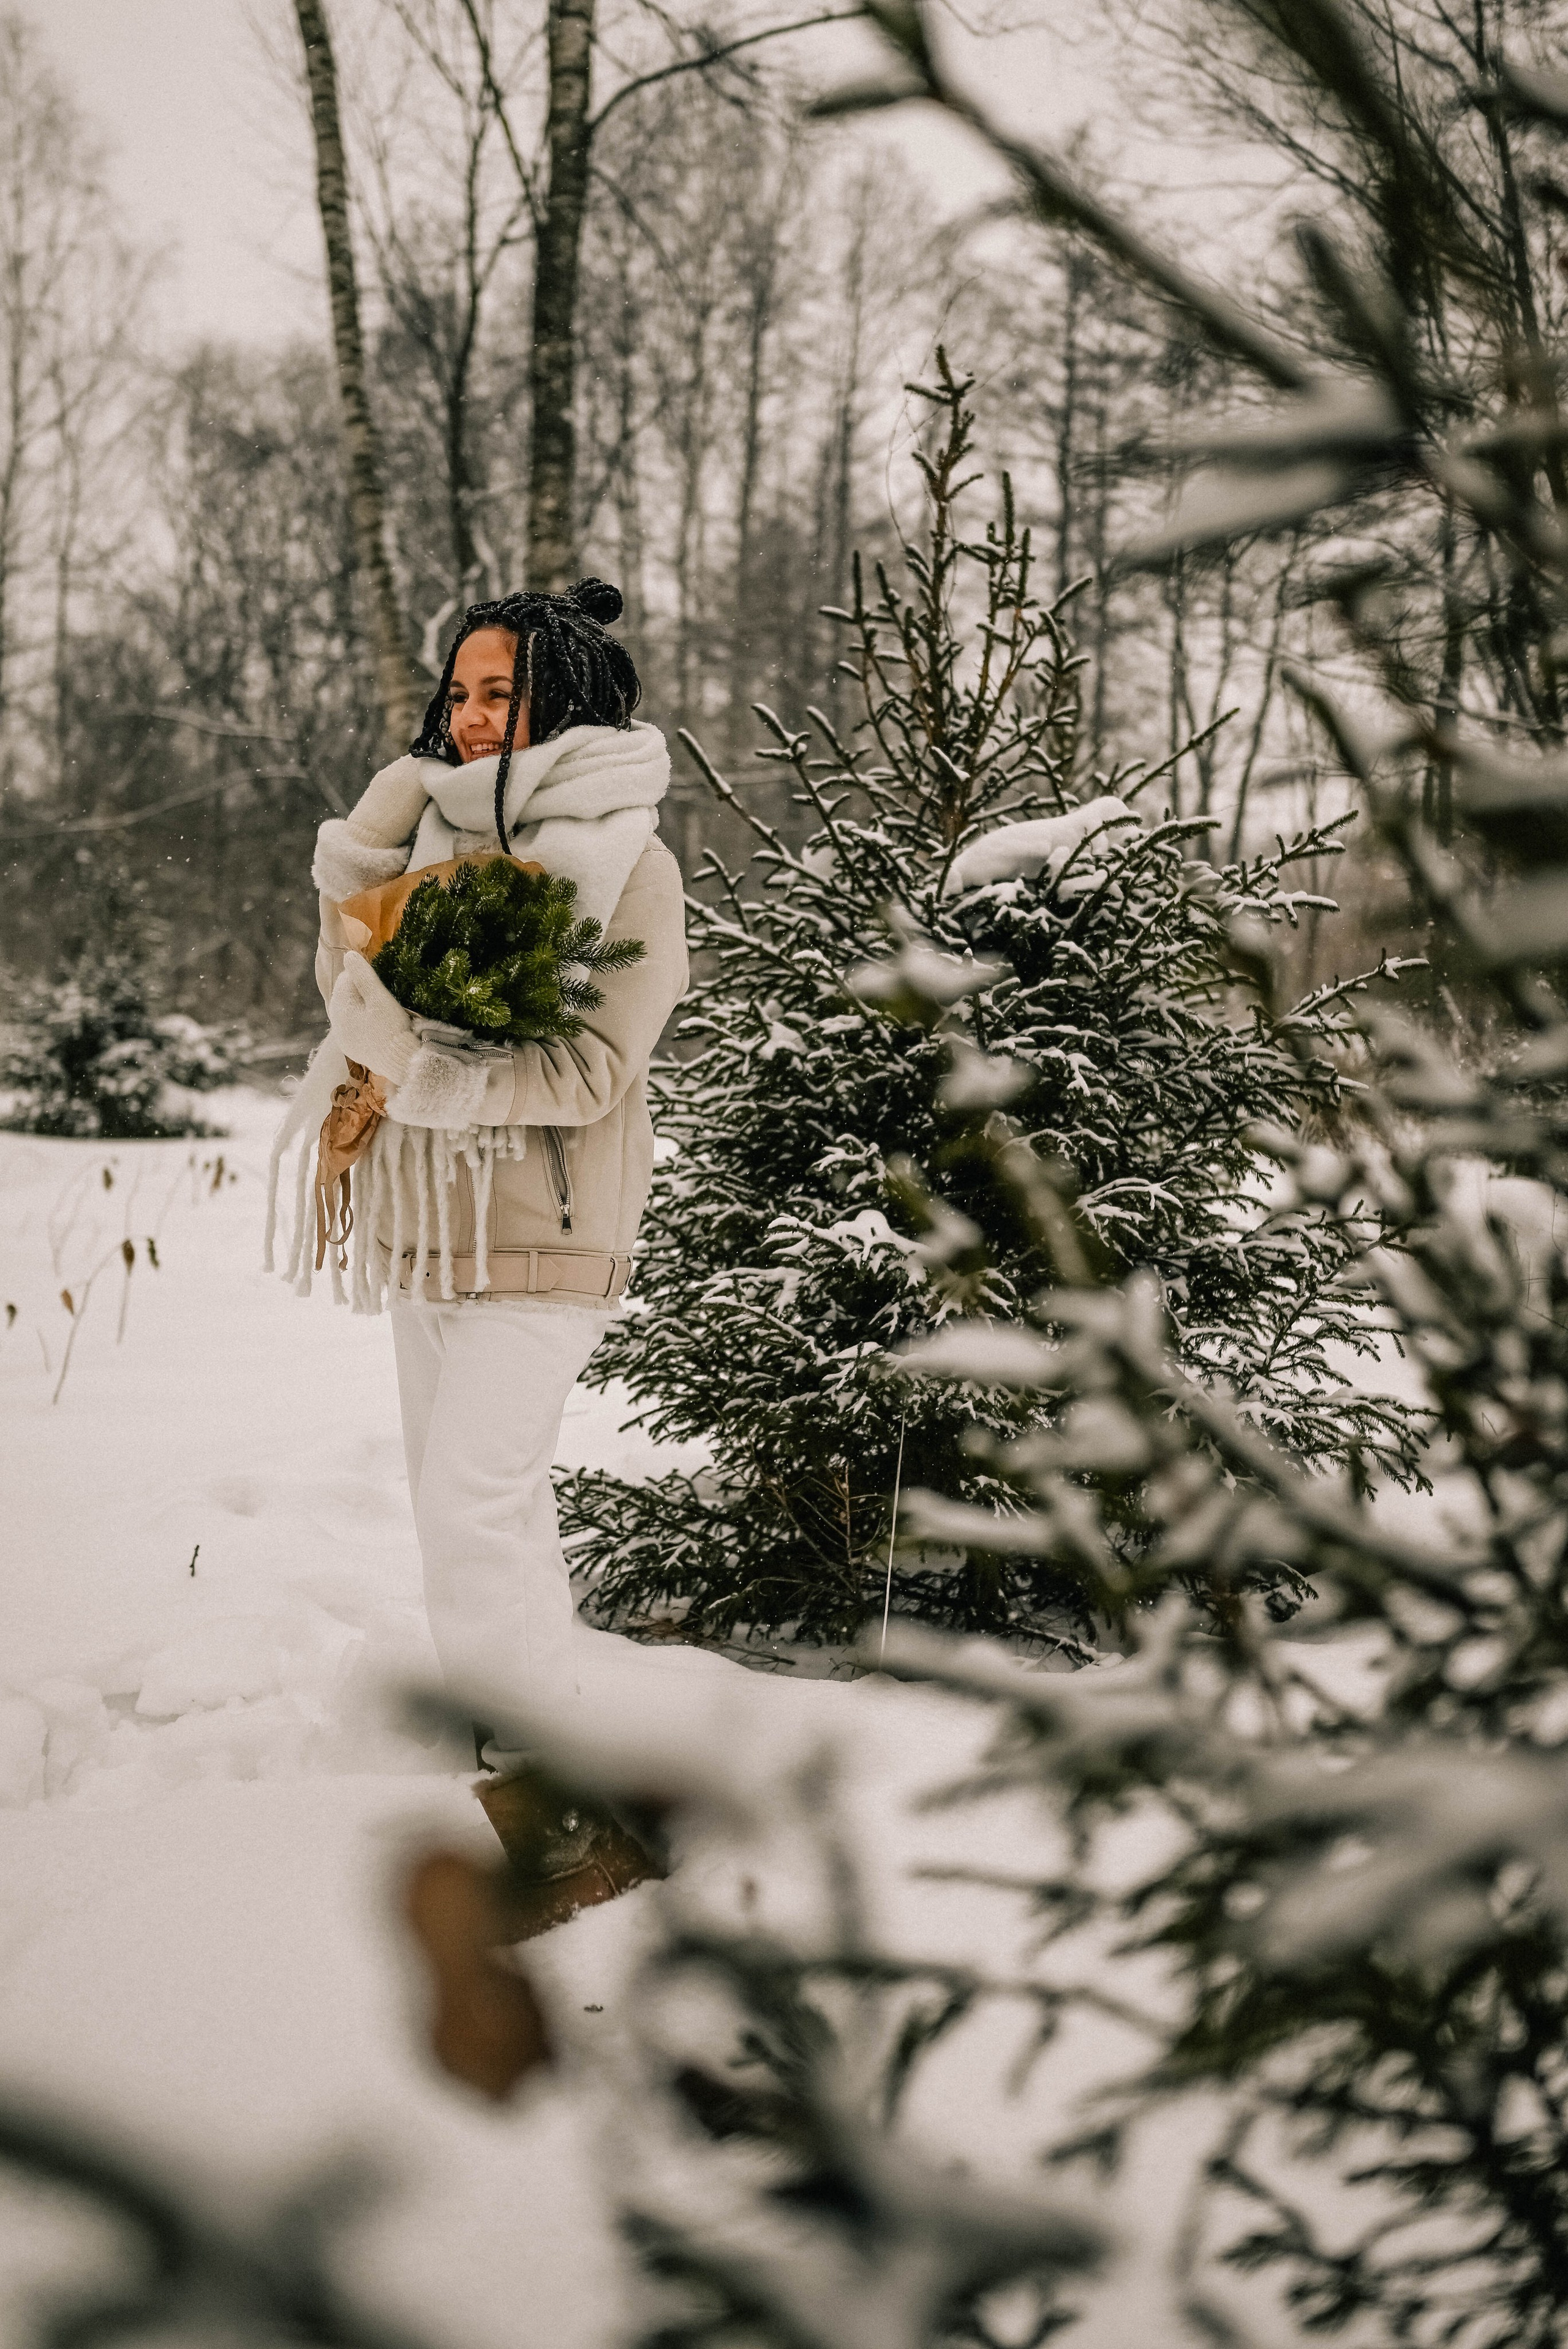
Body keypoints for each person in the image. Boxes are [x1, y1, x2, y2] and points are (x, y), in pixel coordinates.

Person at [267, 578, 688, 1932]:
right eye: (458, 690)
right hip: (425, 1226)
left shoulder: (630, 859)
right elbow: (356, 997)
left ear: (561, 696)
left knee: (471, 1506)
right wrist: (369, 1009)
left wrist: (414, 1057)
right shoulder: (412, 849)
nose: (468, 713)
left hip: (547, 1233)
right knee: (478, 1521)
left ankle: (565, 1816)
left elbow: (591, 1064)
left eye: (498, 690)